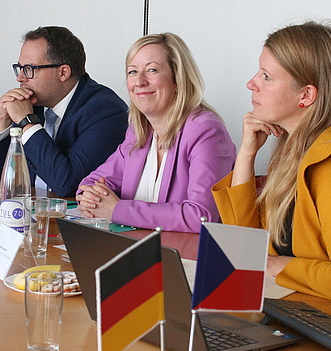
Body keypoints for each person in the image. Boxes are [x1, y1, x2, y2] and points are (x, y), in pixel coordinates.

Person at [212, 21, 331, 306]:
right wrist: (246, 154)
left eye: (266, 76)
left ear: (306, 95)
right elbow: (247, 247)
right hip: (297, 308)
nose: (251, 83)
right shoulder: (293, 149)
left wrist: (277, 266)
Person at [76, 33, 236, 232]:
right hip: (141, 250)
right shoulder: (139, 130)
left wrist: (117, 210)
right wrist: (91, 198)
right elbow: (90, 184)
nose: (140, 81)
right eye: (133, 72)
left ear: (178, 79)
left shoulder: (205, 130)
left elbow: (201, 216)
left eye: (152, 70)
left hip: (188, 257)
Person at [0, 26, 128, 197]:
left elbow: (67, 185)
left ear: (63, 72)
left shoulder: (105, 112)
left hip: (72, 219)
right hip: (29, 212)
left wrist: (27, 122)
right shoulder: (32, 104)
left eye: (29, 69)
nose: (19, 78)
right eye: (19, 68)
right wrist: (2, 122)